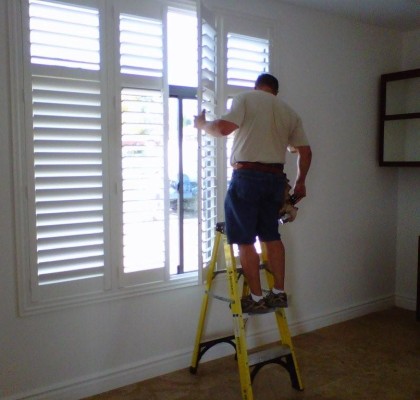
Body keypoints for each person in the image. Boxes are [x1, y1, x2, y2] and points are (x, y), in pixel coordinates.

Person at [194, 73, 312, 314]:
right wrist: (300, 182)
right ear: (275, 92)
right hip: (275, 180)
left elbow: (223, 128)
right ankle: (278, 293)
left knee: (245, 239)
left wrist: (202, 125)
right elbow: (305, 152)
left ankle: (256, 297)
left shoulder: (246, 98)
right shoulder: (288, 111)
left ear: (257, 87)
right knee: (271, 235)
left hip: (247, 177)